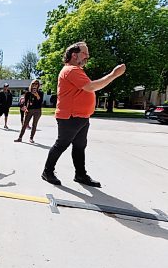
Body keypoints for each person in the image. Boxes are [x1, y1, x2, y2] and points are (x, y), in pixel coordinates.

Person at [41, 42, 126, 186]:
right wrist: (114, 75)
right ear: (74, 55)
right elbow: (91, 86)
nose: (88, 56)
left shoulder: (76, 70)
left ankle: (80, 174)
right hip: (70, 117)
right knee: (61, 144)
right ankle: (47, 172)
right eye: (85, 53)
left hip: (81, 117)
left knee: (80, 146)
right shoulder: (71, 70)